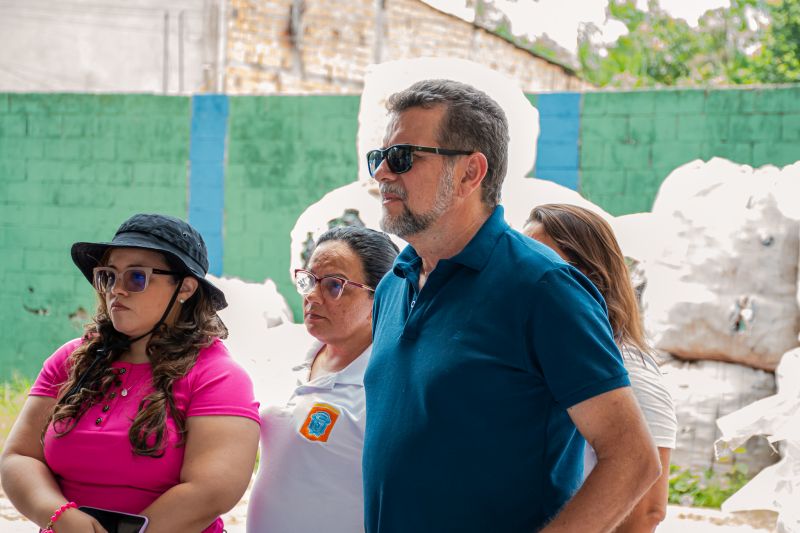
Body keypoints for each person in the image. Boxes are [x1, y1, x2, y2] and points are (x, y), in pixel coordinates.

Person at [362, 79, 661, 533]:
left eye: (402, 157)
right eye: (379, 157)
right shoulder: (392, 286)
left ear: (470, 173)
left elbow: (633, 459)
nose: (383, 173)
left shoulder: (544, 288)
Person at [0, 214, 260, 533]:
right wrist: (60, 516)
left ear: (185, 288)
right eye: (108, 276)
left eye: (136, 277)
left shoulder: (217, 376)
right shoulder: (71, 360)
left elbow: (211, 490)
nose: (116, 290)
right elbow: (20, 457)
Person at [524, 203, 678, 532]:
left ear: (591, 278)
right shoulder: (554, 357)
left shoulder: (631, 372)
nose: (525, 280)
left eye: (543, 267)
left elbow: (647, 510)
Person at [247, 226, 399, 533]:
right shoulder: (288, 358)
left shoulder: (387, 389)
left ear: (380, 297)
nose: (312, 296)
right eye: (309, 280)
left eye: (333, 285)